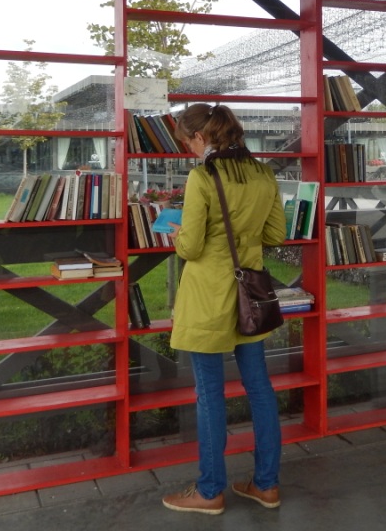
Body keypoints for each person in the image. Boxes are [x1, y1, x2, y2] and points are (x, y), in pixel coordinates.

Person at [161, 103, 288, 515]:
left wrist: (178, 232)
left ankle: (210, 490)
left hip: (208, 299)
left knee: (209, 394)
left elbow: (191, 247)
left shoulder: (202, 176)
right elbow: (276, 234)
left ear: (201, 137)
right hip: (250, 298)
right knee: (260, 389)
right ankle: (266, 485)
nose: (188, 149)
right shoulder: (264, 173)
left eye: (187, 141)